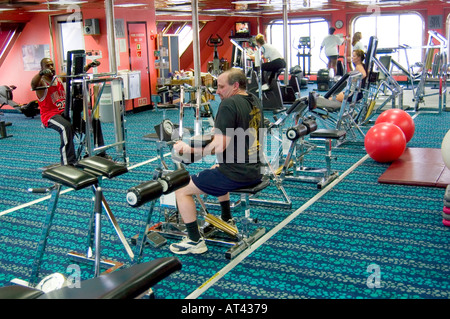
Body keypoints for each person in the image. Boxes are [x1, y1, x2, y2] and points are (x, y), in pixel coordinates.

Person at [169, 68, 264, 255]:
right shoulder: (253, 99)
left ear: (235, 86)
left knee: (181, 188)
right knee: (217, 166)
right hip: (254, 170)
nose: (217, 91)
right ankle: (226, 218)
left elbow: (219, 147)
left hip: (237, 174)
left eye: (221, 87)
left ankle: (194, 241)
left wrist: (189, 150)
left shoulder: (228, 104)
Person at [31, 57, 105, 166]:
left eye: (52, 65)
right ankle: (68, 163)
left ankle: (99, 153)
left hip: (66, 113)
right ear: (42, 68)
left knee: (93, 122)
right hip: (50, 116)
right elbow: (33, 84)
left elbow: (74, 74)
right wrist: (40, 73)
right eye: (47, 66)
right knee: (66, 127)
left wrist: (89, 66)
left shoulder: (58, 78)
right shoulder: (41, 84)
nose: (51, 67)